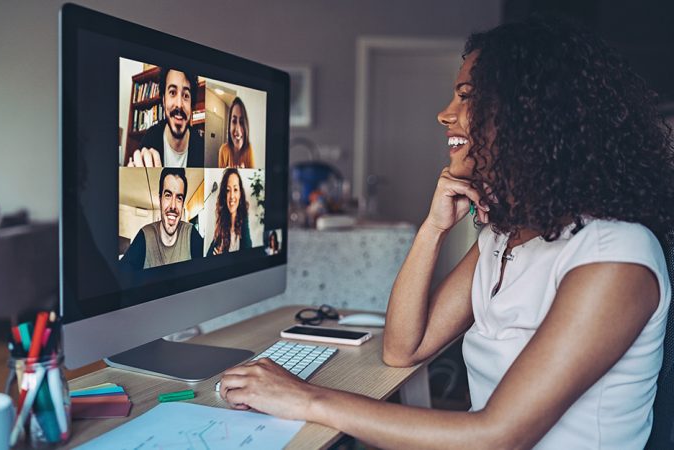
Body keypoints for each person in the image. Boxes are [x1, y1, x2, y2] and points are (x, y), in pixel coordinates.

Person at [217, 17, 674, 449]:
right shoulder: (503, 237)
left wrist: (306, 398)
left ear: (528, 113)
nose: (445, 114)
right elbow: (403, 348)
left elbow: (497, 437)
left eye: (467, 96)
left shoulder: (615, 255)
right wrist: (433, 228)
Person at [121, 168, 203, 269]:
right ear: (160, 200)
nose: (173, 206)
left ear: (182, 205)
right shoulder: (145, 235)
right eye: (168, 195)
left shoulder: (190, 233)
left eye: (179, 198)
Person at [127, 67, 204, 167]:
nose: (179, 104)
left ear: (191, 105)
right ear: (163, 100)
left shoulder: (201, 146)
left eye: (186, 95)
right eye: (172, 92)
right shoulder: (150, 137)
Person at [207, 168, 252, 255]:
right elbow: (208, 256)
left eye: (235, 190)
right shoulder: (221, 223)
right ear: (224, 195)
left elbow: (248, 255)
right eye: (228, 190)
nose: (231, 196)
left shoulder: (244, 219)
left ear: (240, 194)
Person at [218, 97, 255, 168]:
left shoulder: (249, 149)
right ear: (229, 125)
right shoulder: (223, 150)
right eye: (234, 121)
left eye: (241, 122)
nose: (237, 130)